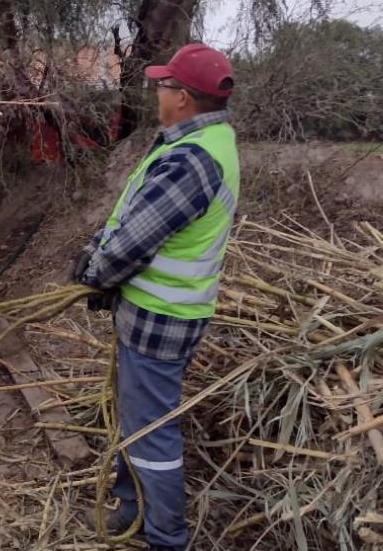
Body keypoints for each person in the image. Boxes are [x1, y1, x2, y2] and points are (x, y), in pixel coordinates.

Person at [74, 43, 238, 551]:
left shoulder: (193, 160)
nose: (158, 91)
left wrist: (96, 272)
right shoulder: (202, 141)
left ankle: (165, 538)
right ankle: (132, 513)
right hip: (158, 313)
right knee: (138, 422)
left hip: (160, 319)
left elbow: (134, 241)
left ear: (183, 98)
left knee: (151, 436)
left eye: (164, 85)